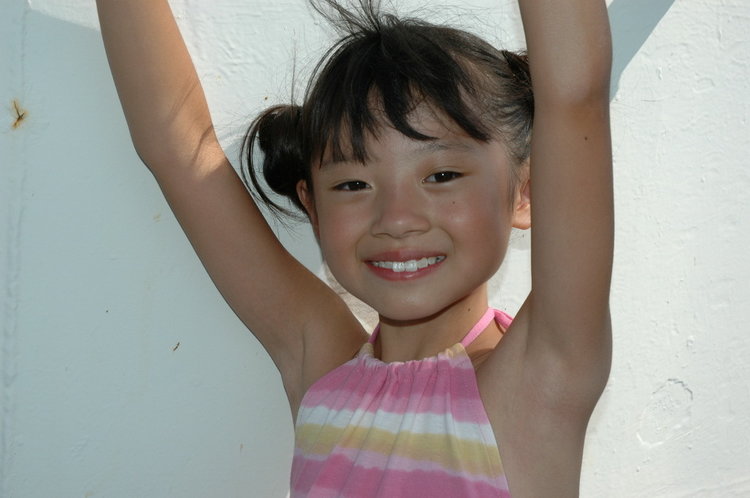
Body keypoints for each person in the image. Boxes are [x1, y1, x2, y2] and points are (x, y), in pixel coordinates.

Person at [96, 0, 613, 495]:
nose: (396, 219)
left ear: (526, 191)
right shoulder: (321, 363)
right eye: (353, 184)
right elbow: (178, 148)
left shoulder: (541, 380)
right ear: (313, 208)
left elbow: (575, 99)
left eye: (441, 175)